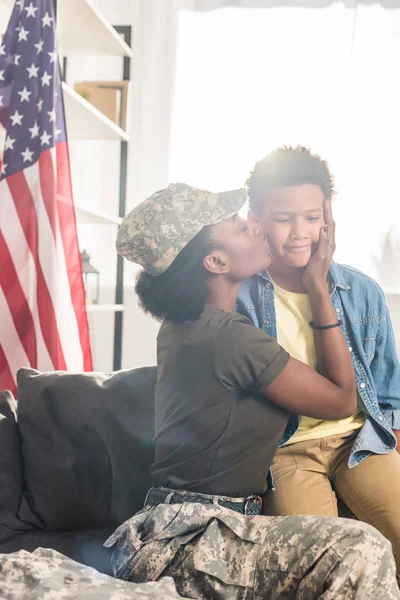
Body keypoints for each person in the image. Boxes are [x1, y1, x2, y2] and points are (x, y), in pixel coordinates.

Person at [104, 183, 399, 599]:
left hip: (175, 529)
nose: (256, 229)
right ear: (216, 261)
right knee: (359, 547)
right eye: (240, 228)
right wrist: (317, 284)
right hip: (191, 539)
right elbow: (341, 400)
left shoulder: (185, 327)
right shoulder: (229, 338)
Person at [236, 145, 400, 580]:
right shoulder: (241, 300)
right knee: (320, 560)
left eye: (312, 217)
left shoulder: (362, 291)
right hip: (287, 449)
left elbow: (388, 393)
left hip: (360, 441)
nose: (299, 232)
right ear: (256, 220)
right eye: (284, 218)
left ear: (329, 217)